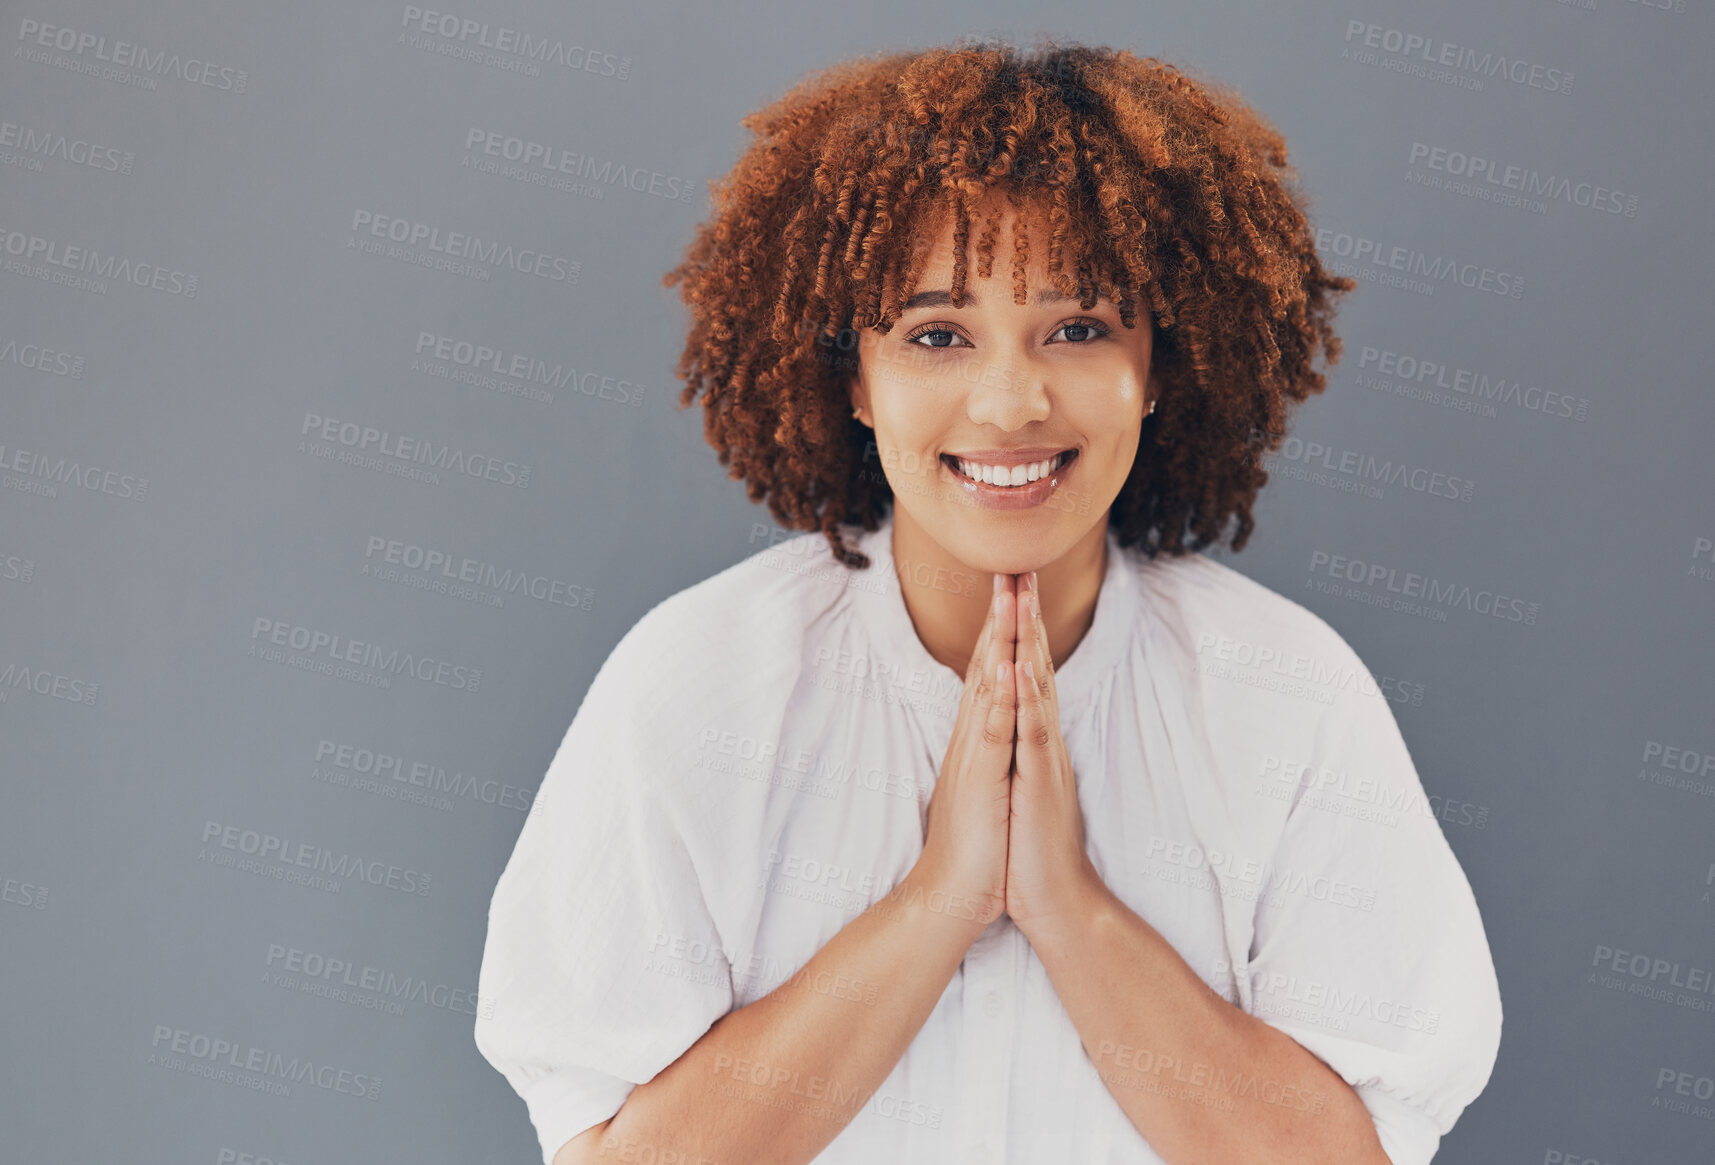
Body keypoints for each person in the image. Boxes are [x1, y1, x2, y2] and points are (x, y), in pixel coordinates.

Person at [474, 39, 1503, 1165]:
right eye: (935, 335)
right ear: (853, 379)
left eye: (1077, 327)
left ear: (1159, 362)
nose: (1009, 400)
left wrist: (1069, 908)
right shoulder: (693, 686)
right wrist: (938, 902)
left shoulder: (1290, 698)